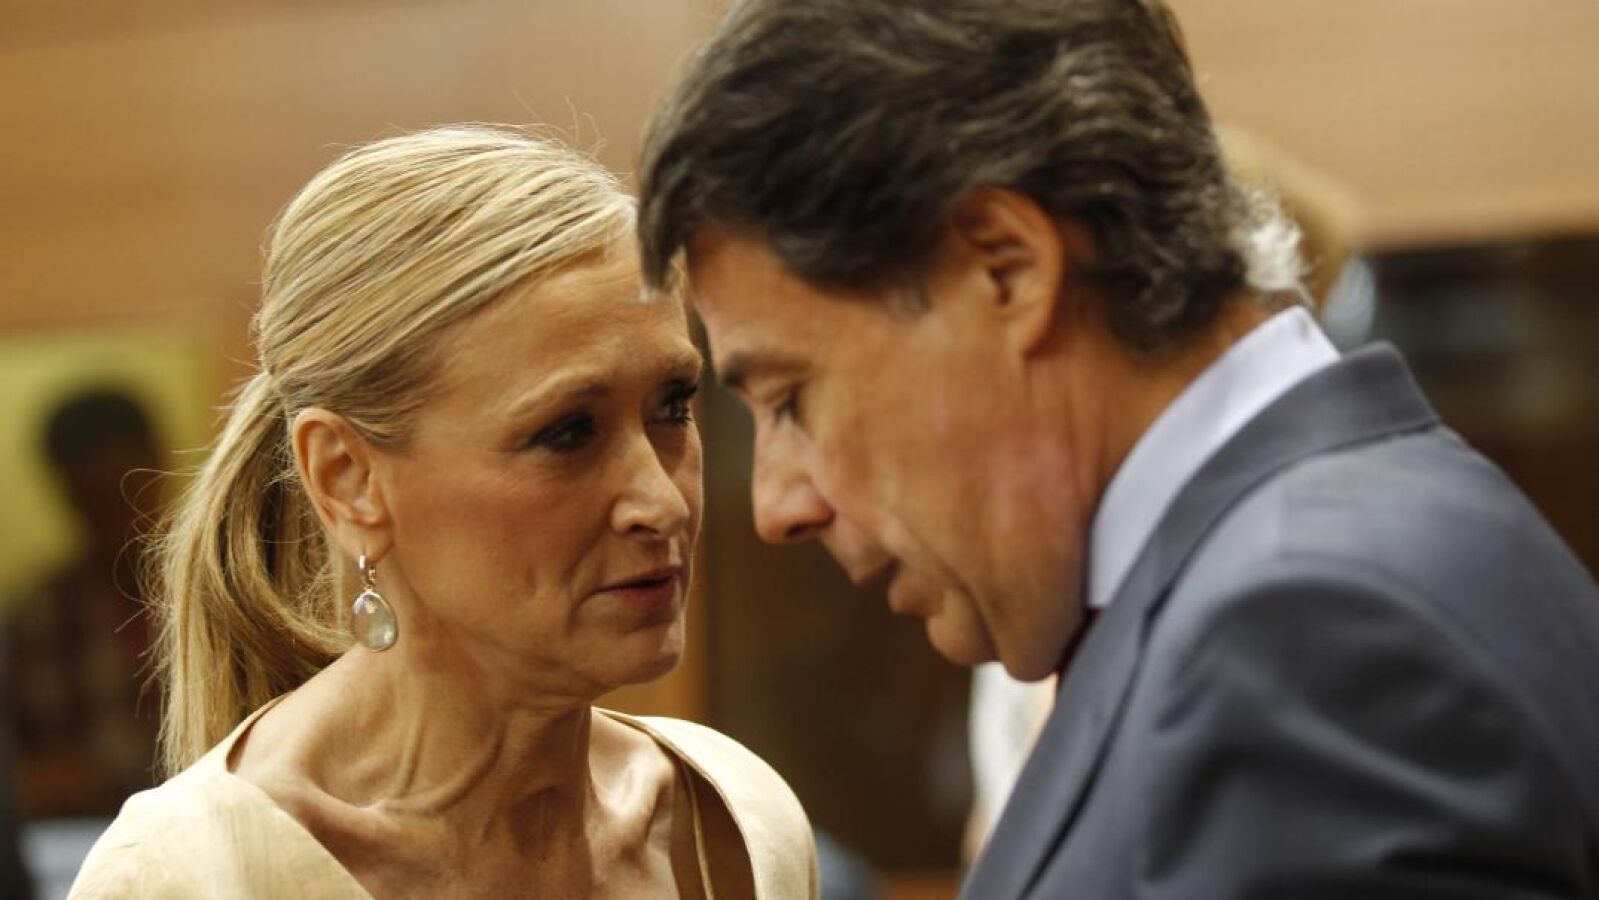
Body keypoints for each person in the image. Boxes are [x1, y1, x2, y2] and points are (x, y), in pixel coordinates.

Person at [637, 1, 1599, 897]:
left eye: (792, 398)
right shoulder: (1306, 566)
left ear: (1005, 268)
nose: (778, 504)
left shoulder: (1299, 640)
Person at [70, 126, 816, 898]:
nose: (660, 501)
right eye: (567, 433)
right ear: (348, 479)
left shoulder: (736, 824)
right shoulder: (183, 878)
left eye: (673, 406)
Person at [4, 388, 162, 821]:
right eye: (94, 502)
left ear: (158, 469)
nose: (116, 522)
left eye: (124, 494)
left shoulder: (220, 598)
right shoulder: (35, 620)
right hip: (87, 840)